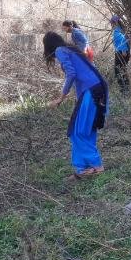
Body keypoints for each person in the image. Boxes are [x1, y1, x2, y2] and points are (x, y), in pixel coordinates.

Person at [43, 31, 109, 179]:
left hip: (92, 91)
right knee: (86, 130)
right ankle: (84, 168)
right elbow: (82, 72)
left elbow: (71, 74)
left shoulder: (60, 50)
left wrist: (61, 97)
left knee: (77, 131)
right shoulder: (70, 49)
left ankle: (96, 166)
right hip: (95, 89)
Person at [110, 15, 130, 94]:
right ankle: (126, 89)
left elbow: (122, 39)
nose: (111, 25)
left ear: (115, 23)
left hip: (121, 53)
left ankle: (124, 91)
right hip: (124, 53)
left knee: (118, 72)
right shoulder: (122, 29)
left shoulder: (117, 31)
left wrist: (124, 49)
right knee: (123, 70)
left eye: (112, 23)